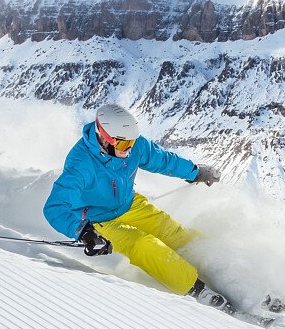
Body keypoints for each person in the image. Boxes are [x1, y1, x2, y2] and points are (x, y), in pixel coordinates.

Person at [43, 104, 232, 312]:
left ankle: (224, 272)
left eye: (132, 142)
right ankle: (197, 290)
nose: (130, 149)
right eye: (125, 145)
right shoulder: (82, 164)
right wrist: (84, 232)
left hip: (129, 204)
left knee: (171, 231)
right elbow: (54, 207)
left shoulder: (131, 146)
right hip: (100, 219)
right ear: (105, 139)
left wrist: (194, 172)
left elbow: (161, 159)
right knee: (143, 244)